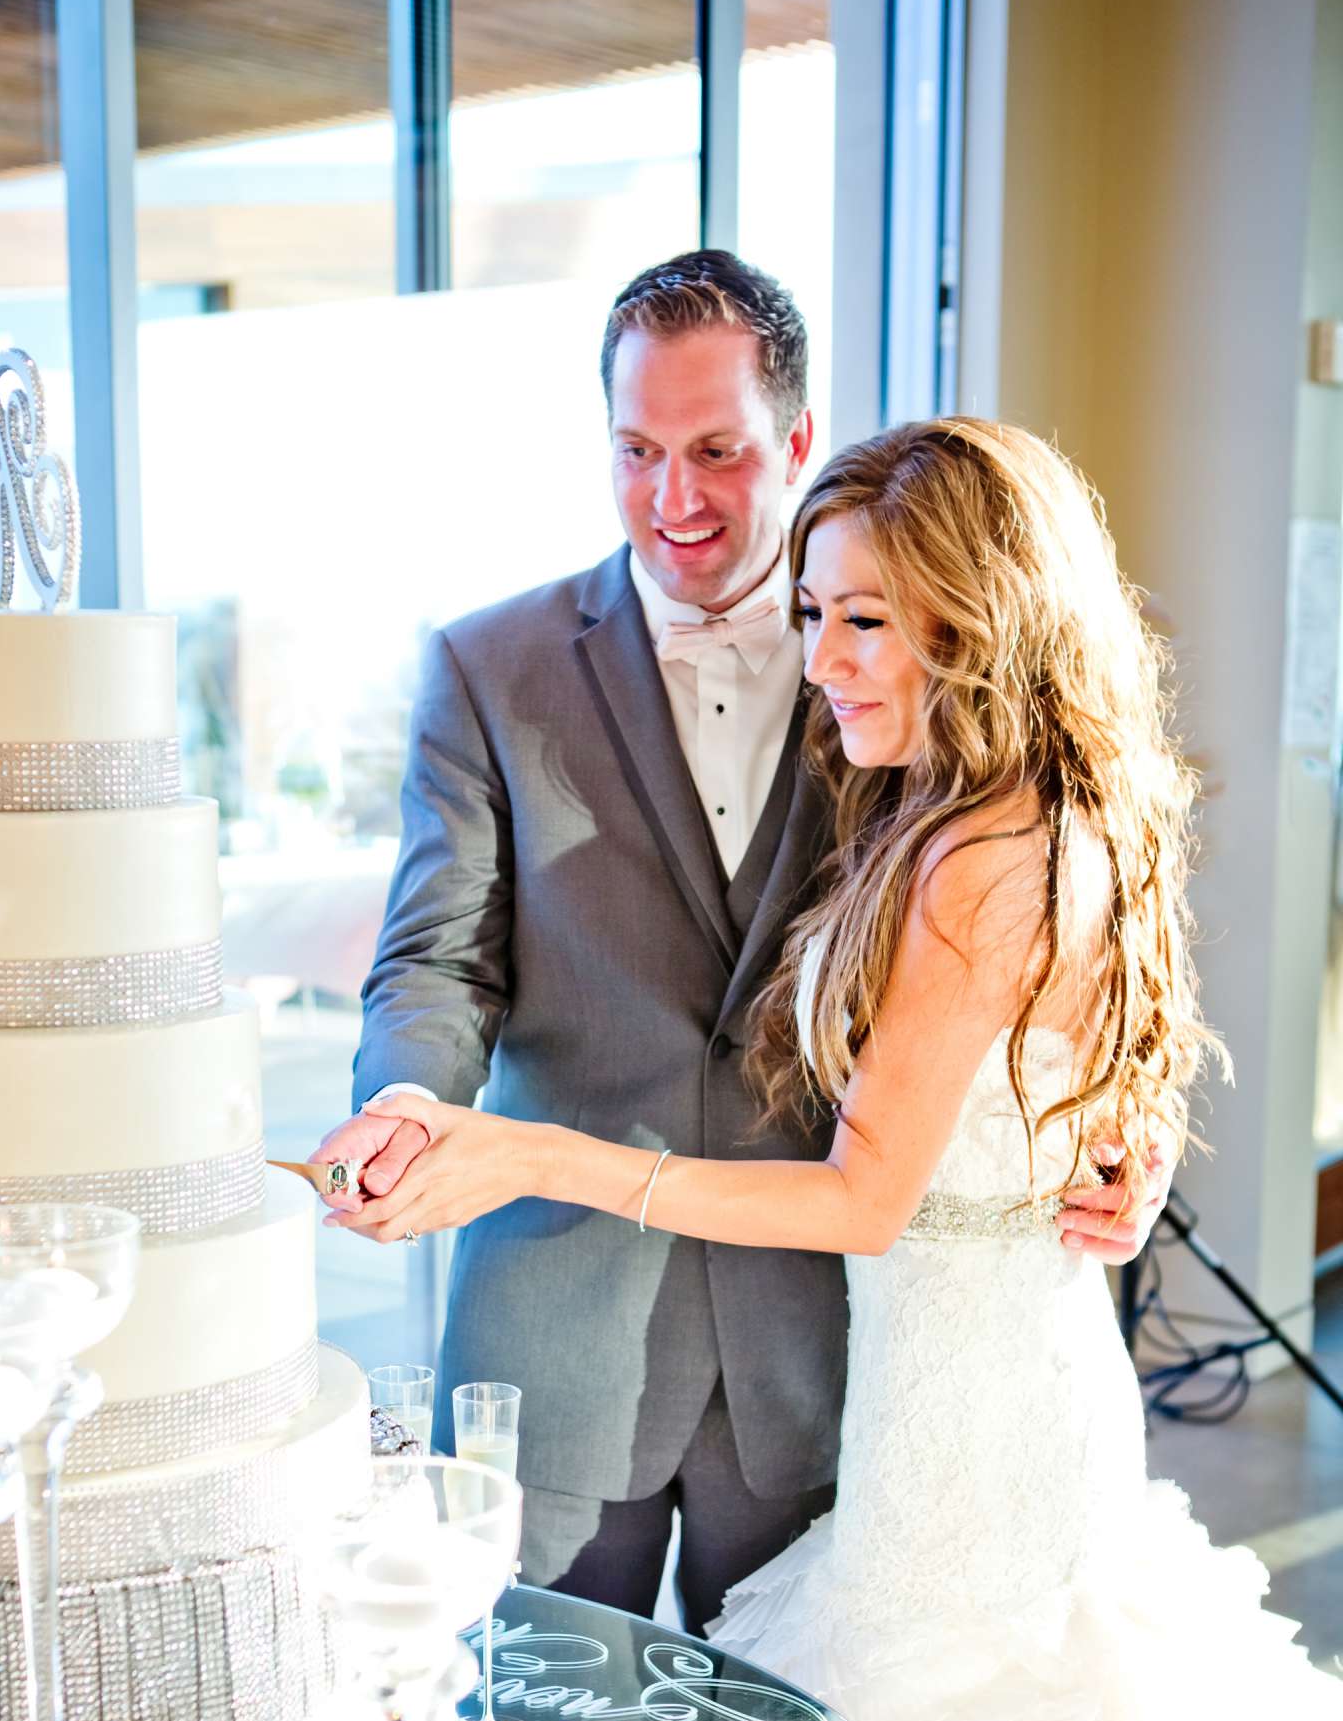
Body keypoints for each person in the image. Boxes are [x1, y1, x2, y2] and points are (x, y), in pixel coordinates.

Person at [351, 416, 1343, 1721]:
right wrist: (1097, 1161)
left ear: (984, 621)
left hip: (973, 1408)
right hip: (970, 1382)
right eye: (818, 614)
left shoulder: (980, 852)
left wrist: (540, 1159)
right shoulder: (993, 802)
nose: (827, 660)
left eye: (872, 620)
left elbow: (870, 1196)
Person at [311, 253, 1155, 1627]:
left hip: (825, 1343)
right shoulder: (488, 665)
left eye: (716, 451)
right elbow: (437, 957)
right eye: (635, 452)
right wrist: (407, 1098)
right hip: (554, 1327)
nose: (674, 499)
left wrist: (1111, 1124)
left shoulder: (903, 659)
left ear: (797, 440)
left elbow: (1031, 938)